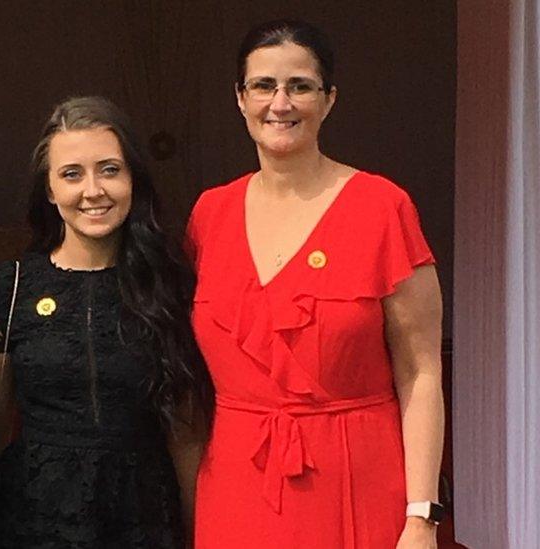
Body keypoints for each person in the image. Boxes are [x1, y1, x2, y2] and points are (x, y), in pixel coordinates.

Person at [187, 20, 445, 548]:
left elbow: (420, 372)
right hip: (237, 484)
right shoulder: (209, 214)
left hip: (359, 481)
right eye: (263, 86)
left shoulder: (382, 207)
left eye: (299, 86)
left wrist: (421, 517)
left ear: (328, 100)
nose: (280, 103)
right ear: (240, 99)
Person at [0, 96, 213, 548]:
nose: (93, 190)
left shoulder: (169, 284)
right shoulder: (9, 287)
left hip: (144, 516)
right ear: (48, 189)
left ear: (133, 180)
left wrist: (196, 532)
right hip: (35, 519)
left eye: (109, 169)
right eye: (71, 174)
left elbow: (187, 434)